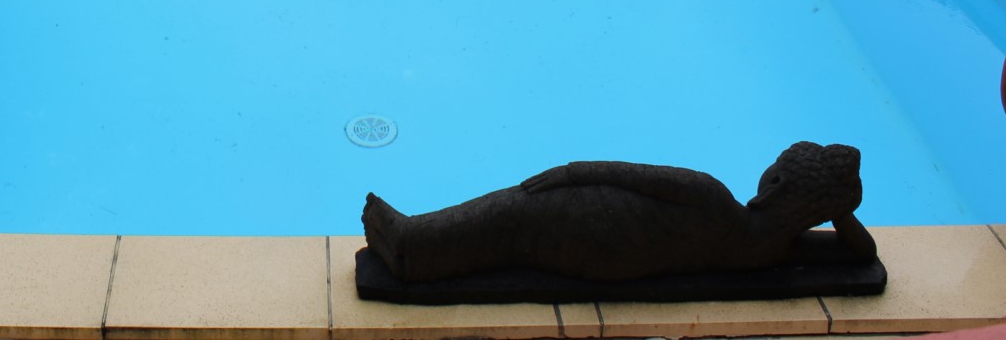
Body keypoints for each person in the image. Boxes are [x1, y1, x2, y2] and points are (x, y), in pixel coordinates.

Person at [362, 141, 875, 284]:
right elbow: (861, 254)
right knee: (508, 236)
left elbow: (635, 176)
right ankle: (414, 246)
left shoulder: (716, 199)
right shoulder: (774, 247)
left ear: (774, 184)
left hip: (600, 224)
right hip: (614, 260)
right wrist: (836, 210)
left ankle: (411, 245)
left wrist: (570, 172)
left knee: (513, 215)